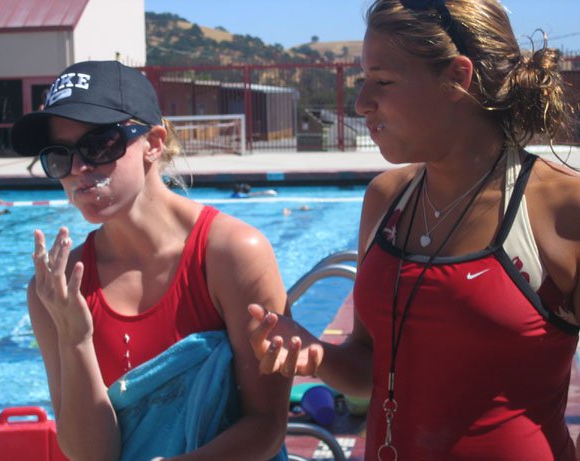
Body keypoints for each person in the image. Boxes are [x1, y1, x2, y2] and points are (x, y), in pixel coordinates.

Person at [248, 1, 580, 460]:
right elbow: (370, 365)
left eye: (382, 81)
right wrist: (316, 353)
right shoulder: (387, 199)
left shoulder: (562, 209)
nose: (363, 103)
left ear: (457, 78)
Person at [10, 60, 290, 461]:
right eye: (59, 156)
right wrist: (75, 339)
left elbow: (266, 424)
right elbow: (93, 455)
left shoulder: (232, 254)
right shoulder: (55, 292)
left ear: (154, 142)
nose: (78, 169)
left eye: (99, 144)